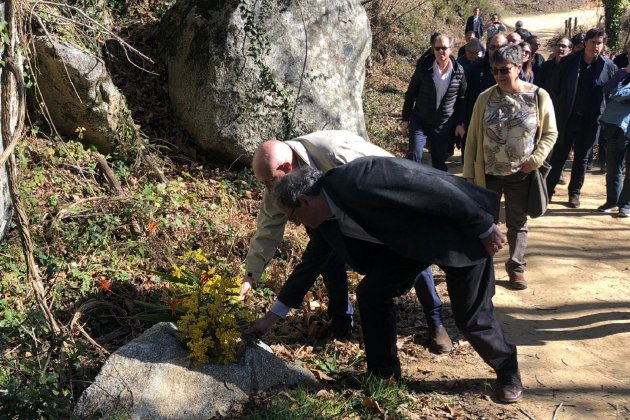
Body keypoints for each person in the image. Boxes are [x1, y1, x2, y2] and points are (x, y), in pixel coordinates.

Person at [249, 157, 523, 404]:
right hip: (407, 246)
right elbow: (309, 266)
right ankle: (384, 375)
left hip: (456, 231)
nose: (296, 224)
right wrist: (273, 317)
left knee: (471, 317)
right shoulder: (323, 223)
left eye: (293, 217)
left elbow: (433, 187)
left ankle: (507, 367)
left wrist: (483, 225)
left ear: (306, 200)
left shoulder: (362, 177)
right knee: (371, 293)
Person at [240, 131, 452, 348]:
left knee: (409, 252)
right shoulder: (276, 183)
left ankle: (435, 320)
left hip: (380, 212)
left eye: (270, 182)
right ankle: (341, 323)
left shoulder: (335, 151)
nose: (268, 189)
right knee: (326, 260)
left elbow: (389, 172)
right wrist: (251, 275)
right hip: (327, 220)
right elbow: (268, 228)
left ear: (286, 168)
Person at [463, 45, 558, 290]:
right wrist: (470, 175)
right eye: (495, 70)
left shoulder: (538, 96)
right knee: (485, 223)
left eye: (504, 69)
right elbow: (473, 138)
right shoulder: (485, 97)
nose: (499, 75)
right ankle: (484, 272)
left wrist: (534, 160)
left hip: (521, 173)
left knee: (517, 222)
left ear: (518, 68)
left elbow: (550, 133)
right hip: (489, 174)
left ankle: (516, 268)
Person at [546, 28, 616, 208]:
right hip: (568, 117)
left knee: (582, 158)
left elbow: (611, 92)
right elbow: (555, 86)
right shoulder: (569, 62)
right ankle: (547, 192)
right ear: (585, 43)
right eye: (593, 42)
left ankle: (574, 194)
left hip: (591, 120)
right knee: (559, 156)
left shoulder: (607, 66)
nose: (596, 46)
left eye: (599, 43)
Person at [400, 34, 467, 170]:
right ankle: (410, 187)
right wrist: (405, 119)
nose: (440, 52)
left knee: (439, 161)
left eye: (444, 48)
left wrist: (460, 123)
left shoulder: (458, 71)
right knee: (414, 155)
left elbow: (462, 99)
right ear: (433, 49)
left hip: (443, 124)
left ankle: (437, 189)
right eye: (437, 48)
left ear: (451, 49)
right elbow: (411, 93)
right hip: (420, 120)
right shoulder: (424, 68)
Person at [596, 62, 630, 218]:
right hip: (614, 127)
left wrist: (621, 95)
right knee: (613, 167)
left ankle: (626, 204)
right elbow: (608, 90)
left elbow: (618, 96)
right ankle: (612, 201)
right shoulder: (620, 74)